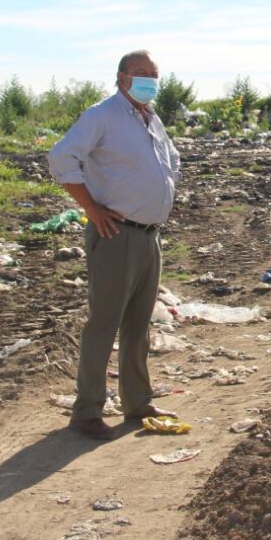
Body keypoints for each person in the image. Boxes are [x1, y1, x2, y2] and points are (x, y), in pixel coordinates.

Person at [47, 50, 182, 440]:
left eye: (154, 76)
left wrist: (158, 193)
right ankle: (87, 410)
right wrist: (91, 207)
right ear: (122, 77)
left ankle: (137, 402)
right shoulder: (102, 116)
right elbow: (61, 158)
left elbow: (172, 162)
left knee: (138, 325)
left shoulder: (150, 119)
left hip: (148, 235)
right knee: (104, 323)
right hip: (115, 234)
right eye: (142, 74)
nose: (149, 82)